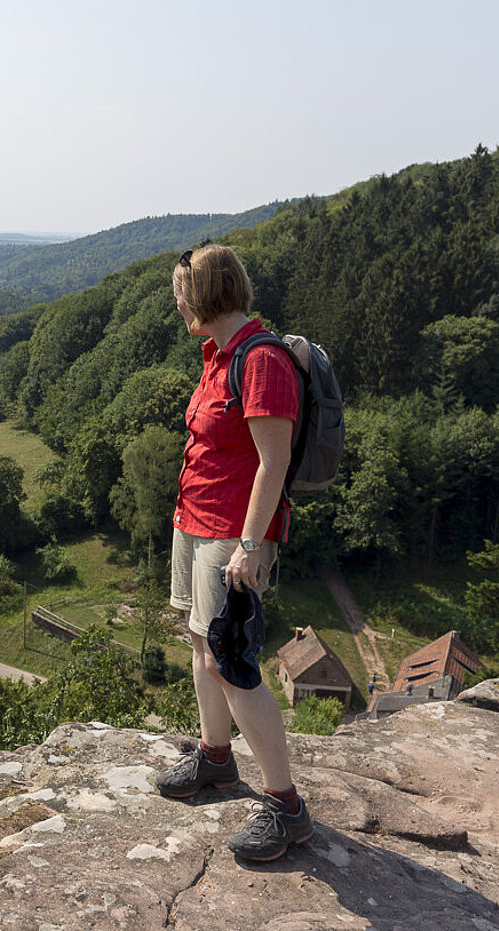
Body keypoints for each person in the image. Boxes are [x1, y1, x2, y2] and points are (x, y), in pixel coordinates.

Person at [154, 243, 313, 861]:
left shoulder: (261, 358)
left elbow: (273, 462)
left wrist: (250, 545)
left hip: (231, 534)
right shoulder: (217, 356)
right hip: (194, 523)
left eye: (180, 294)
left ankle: (285, 806)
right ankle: (216, 759)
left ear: (204, 294)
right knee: (202, 645)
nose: (176, 305)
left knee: (235, 663)